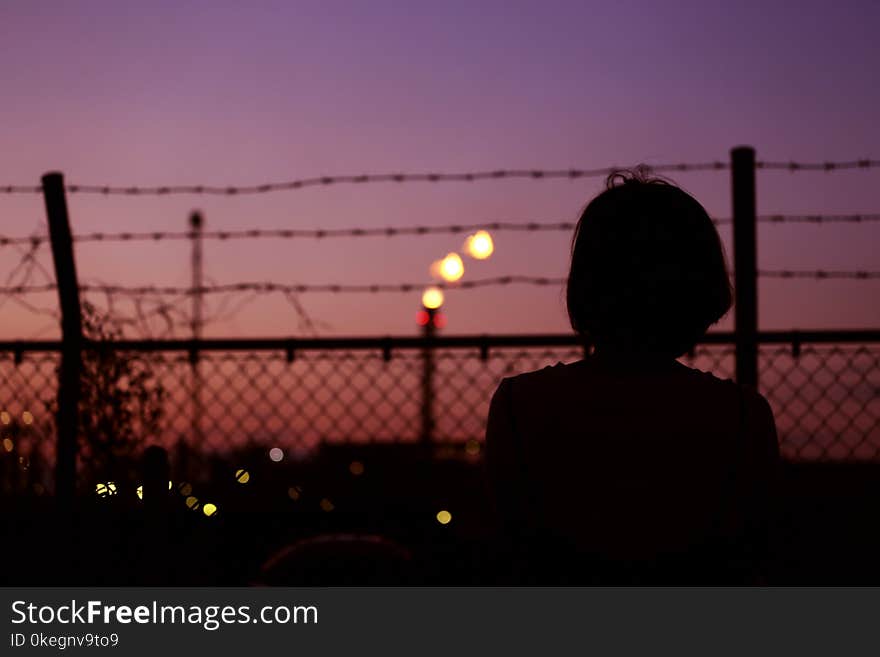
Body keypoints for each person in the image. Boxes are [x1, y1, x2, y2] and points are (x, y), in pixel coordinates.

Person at [485, 169, 779, 584]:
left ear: (587, 282)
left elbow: (513, 551)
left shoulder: (519, 407)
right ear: (700, 284)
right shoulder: (743, 417)